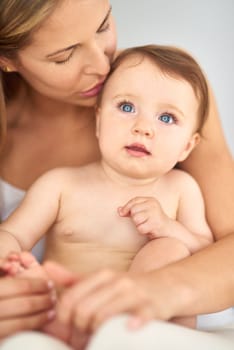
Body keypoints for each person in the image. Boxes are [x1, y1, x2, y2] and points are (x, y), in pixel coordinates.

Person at [0, 0, 233, 348]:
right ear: (6, 60)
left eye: (103, 25)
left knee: (166, 249)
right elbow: (11, 238)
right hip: (59, 323)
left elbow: (220, 244)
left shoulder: (174, 85)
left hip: (159, 327)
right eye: (64, 56)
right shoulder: (60, 184)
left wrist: (155, 288)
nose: (102, 65)